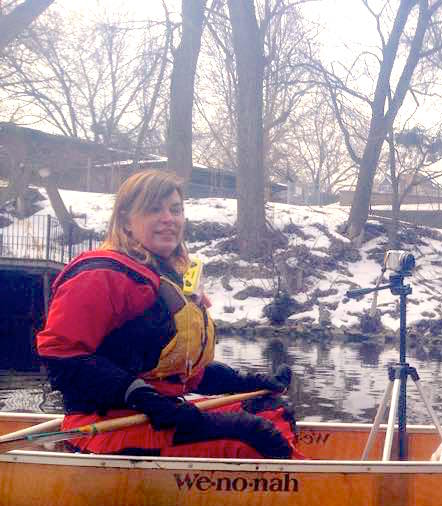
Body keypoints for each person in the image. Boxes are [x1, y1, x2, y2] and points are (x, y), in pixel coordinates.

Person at [36, 170, 299, 459]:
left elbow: (176, 372)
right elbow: (61, 357)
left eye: (175, 210)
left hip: (158, 414)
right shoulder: (99, 275)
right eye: (154, 209)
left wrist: (247, 382)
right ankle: (302, 493)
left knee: (271, 410)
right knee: (253, 437)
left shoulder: (165, 277)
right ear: (125, 220)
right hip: (102, 427)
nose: (168, 219)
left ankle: (292, 483)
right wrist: (137, 394)